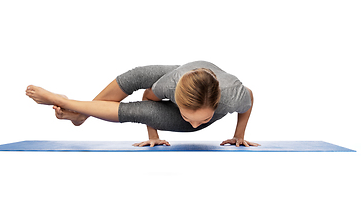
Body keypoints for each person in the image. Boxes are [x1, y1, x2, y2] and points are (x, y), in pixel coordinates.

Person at [26, 60, 260, 147]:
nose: (197, 125)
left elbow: (248, 99)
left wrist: (239, 134)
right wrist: (153, 135)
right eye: (190, 117)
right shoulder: (169, 86)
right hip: (181, 72)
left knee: (139, 111)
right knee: (138, 75)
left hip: (198, 82)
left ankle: (75, 109)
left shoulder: (233, 95)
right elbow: (148, 96)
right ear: (176, 98)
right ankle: (80, 114)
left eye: (204, 119)